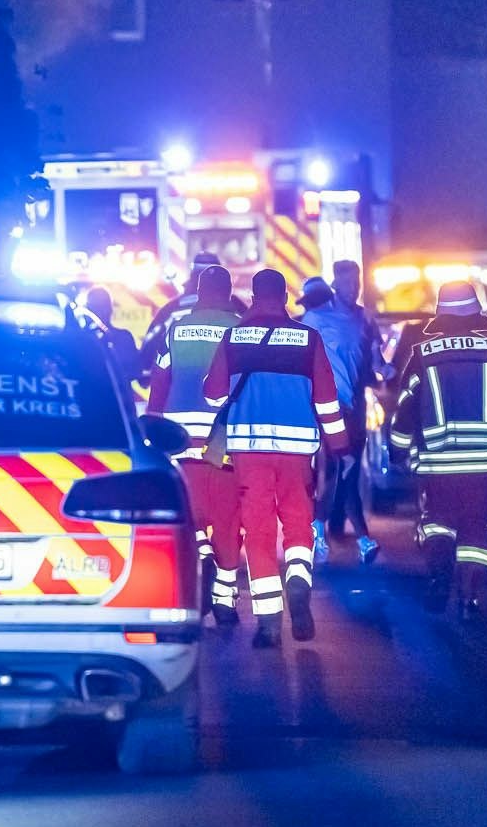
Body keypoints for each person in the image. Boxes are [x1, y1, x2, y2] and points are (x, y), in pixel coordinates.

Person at [203, 269, 349, 646]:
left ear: (253, 297)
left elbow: (213, 394)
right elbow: (327, 401)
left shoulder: (234, 336)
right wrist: (340, 445)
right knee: (298, 522)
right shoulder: (307, 338)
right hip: (297, 450)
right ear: (284, 297)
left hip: (249, 450)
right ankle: (298, 579)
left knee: (259, 530)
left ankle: (269, 622)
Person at [386, 281, 487, 621]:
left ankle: (439, 575)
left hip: (437, 462)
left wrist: (397, 450)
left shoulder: (423, 354)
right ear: (474, 315)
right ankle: (470, 599)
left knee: (437, 523)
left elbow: (406, 406)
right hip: (484, 462)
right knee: (475, 532)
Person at [144, 265, 245, 627]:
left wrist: (154, 427)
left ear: (199, 292)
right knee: (228, 518)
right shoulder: (240, 328)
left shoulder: (177, 328)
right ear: (229, 292)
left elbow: (159, 382)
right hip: (225, 441)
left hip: (181, 439)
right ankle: (224, 599)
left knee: (192, 513)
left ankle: (202, 550)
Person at [297, 275, 381, 566]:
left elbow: (373, 363)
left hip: (354, 409)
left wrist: (385, 372)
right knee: (338, 467)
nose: (354, 288)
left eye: (356, 283)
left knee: (347, 471)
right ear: (336, 287)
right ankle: (348, 534)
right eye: (349, 284)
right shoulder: (313, 320)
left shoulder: (363, 319)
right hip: (328, 407)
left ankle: (332, 529)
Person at [139, 251, 248, 378]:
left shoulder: (171, 310)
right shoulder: (237, 308)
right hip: (227, 390)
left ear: (192, 276)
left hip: (181, 389)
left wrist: (145, 371)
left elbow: (150, 345)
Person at [81, 286, 141, 377]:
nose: (99, 312)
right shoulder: (80, 340)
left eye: (102, 307)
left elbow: (135, 371)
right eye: (95, 307)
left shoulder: (124, 338)